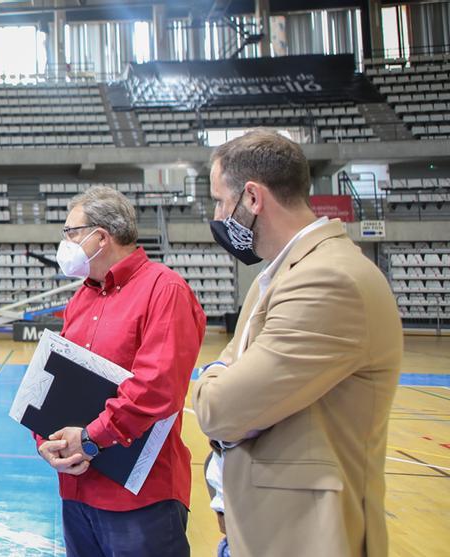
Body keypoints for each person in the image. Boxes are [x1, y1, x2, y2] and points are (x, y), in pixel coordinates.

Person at [194, 129, 402, 557]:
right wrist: (225, 373)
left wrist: (212, 377)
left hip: (302, 538)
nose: (217, 214)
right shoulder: (283, 272)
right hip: (259, 529)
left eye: (220, 200)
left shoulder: (328, 279)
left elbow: (220, 409)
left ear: (252, 198)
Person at [35, 186, 205, 557]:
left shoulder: (165, 290)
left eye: (71, 232)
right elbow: (58, 382)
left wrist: (92, 438)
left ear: (100, 236)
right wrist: (47, 441)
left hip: (140, 497)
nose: (66, 243)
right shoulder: (82, 297)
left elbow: (156, 389)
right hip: (77, 490)